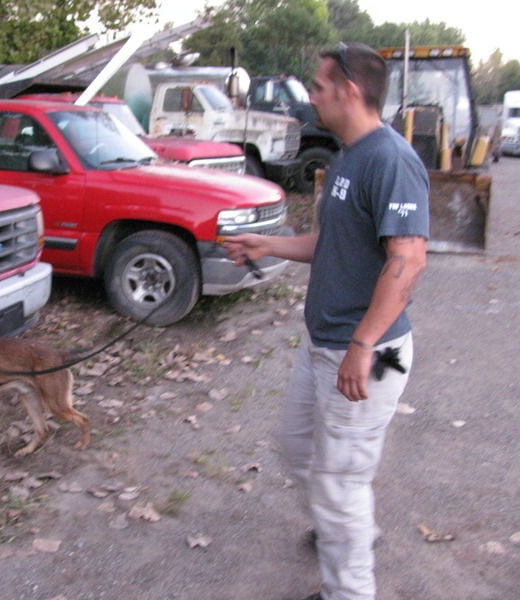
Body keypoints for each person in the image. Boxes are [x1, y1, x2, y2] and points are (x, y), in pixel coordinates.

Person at [223, 42, 429, 600]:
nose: (310, 94)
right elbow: (336, 242)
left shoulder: (390, 159)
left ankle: (350, 587)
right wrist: (270, 244)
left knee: (340, 482)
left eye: (317, 85)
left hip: (362, 354)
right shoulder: (349, 154)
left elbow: (407, 259)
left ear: (349, 91)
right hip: (324, 342)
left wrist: (363, 344)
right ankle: (347, 527)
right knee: (296, 444)